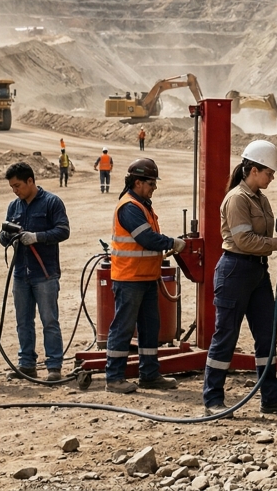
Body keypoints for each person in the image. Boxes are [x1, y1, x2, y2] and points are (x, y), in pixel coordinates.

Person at [202, 140, 277, 417]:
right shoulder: (237, 199)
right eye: (269, 173)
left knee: (266, 336)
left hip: (257, 271)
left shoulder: (259, 198)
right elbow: (244, 240)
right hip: (235, 270)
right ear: (254, 170)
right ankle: (212, 399)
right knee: (226, 336)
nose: (271, 177)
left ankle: (270, 397)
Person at [105, 158, 184, 393]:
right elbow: (146, 239)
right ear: (138, 183)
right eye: (151, 183)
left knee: (150, 328)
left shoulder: (143, 204)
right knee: (123, 327)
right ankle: (114, 378)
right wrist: (172, 242)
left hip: (147, 278)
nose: (154, 188)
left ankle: (149, 375)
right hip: (129, 279)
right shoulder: (129, 207)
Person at [0, 162, 71, 380]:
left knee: (49, 321)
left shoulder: (51, 202)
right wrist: (6, 236)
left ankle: (54, 367)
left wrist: (37, 237)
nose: (15, 190)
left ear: (31, 181)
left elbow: (63, 230)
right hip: (21, 274)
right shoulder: (14, 206)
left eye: (18, 185)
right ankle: (27, 364)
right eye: (12, 187)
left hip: (45, 274)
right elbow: (3, 235)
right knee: (23, 322)